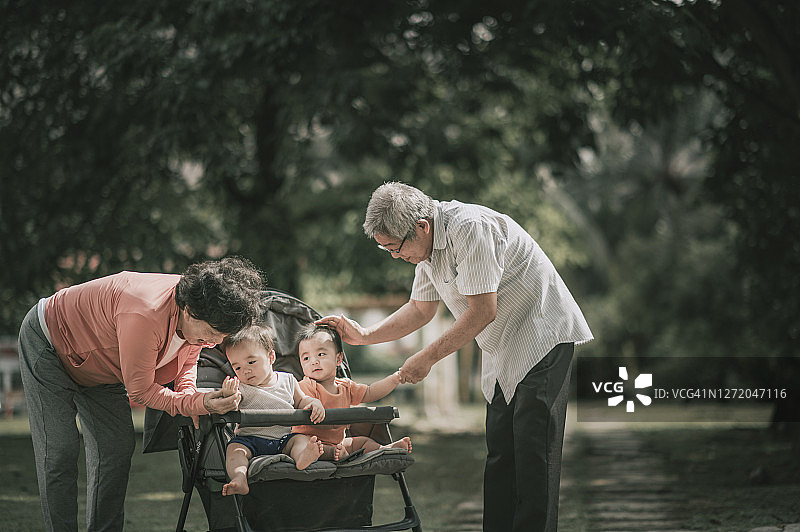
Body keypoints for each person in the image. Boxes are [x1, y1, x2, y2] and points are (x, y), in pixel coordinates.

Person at [317, 182, 593, 532]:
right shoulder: (427, 250)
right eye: (385, 248)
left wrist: (427, 358)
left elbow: (482, 312)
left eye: (395, 247)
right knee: (501, 458)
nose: (394, 256)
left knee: (533, 455)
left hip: (542, 335)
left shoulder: (470, 229)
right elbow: (419, 309)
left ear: (421, 226)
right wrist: (365, 336)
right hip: (502, 348)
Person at [17, 256, 264, 532]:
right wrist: (199, 403)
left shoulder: (199, 313)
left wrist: (192, 400)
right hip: (49, 343)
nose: (213, 343)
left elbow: (187, 363)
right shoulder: (145, 312)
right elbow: (141, 390)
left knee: (117, 447)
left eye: (219, 336)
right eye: (211, 333)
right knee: (59, 450)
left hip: (103, 364)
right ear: (189, 311)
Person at [220, 324, 326, 496]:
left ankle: (303, 457)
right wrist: (228, 395)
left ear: (271, 357)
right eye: (237, 367)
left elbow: (301, 400)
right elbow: (229, 405)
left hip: (283, 439)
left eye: (251, 362)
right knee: (234, 450)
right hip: (250, 441)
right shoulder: (240, 387)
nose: (245, 370)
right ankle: (239, 478)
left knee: (300, 439)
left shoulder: (288, 380)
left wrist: (314, 402)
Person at [291, 324, 412, 461]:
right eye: (306, 358)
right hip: (310, 442)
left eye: (321, 354)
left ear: (338, 359)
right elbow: (304, 407)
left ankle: (385, 449)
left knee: (361, 442)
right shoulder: (305, 387)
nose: (313, 361)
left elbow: (370, 392)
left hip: (338, 443)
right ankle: (333, 454)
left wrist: (395, 378)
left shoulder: (345, 387)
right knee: (305, 444)